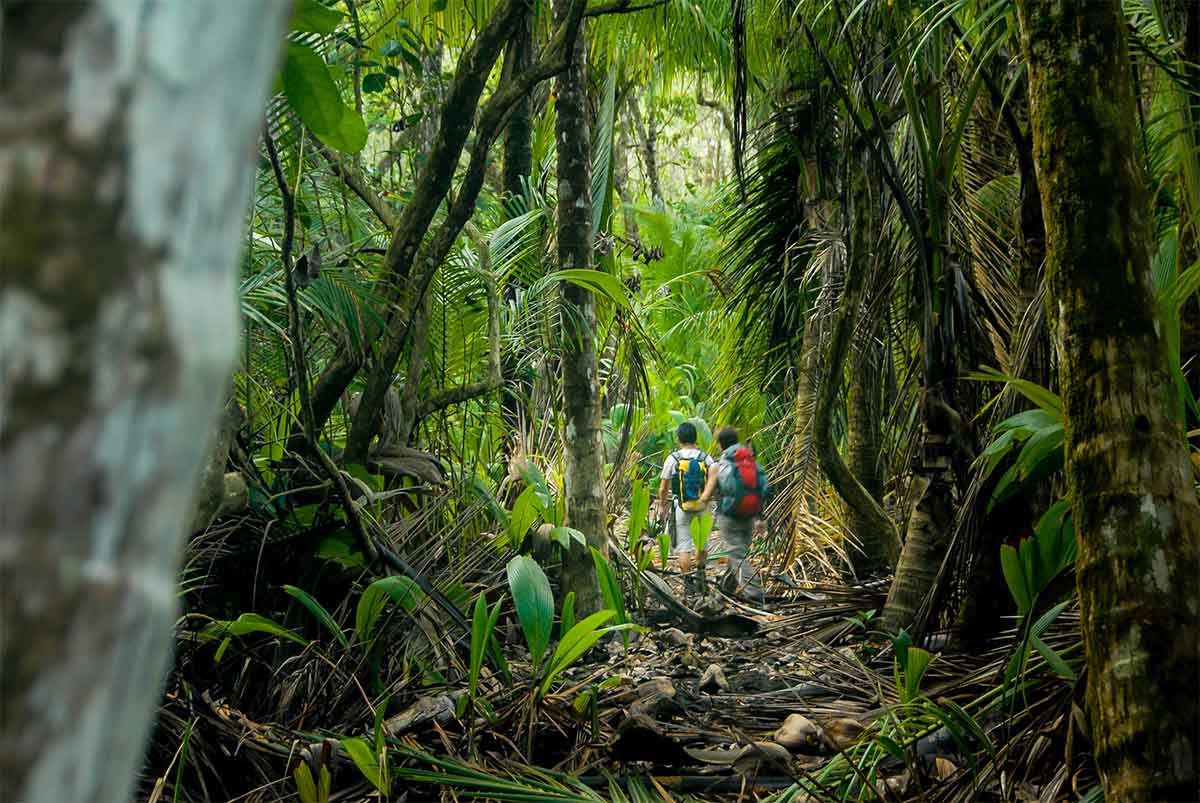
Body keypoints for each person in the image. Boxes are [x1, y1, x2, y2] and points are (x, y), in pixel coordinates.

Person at [698, 426, 770, 604]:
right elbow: (764, 488)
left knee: (736, 554)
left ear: (720, 444)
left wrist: (698, 505)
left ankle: (754, 592)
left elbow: (707, 494)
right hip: (750, 514)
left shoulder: (721, 464)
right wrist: (760, 518)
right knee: (738, 551)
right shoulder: (751, 461)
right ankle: (725, 589)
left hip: (729, 515)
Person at [654, 422, 714, 574]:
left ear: (679, 439)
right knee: (701, 543)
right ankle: (701, 575)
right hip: (702, 506)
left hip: (681, 507)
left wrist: (662, 505)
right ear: (695, 439)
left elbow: (663, 487)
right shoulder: (706, 458)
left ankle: (688, 580)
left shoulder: (673, 458)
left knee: (684, 545)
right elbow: (714, 481)